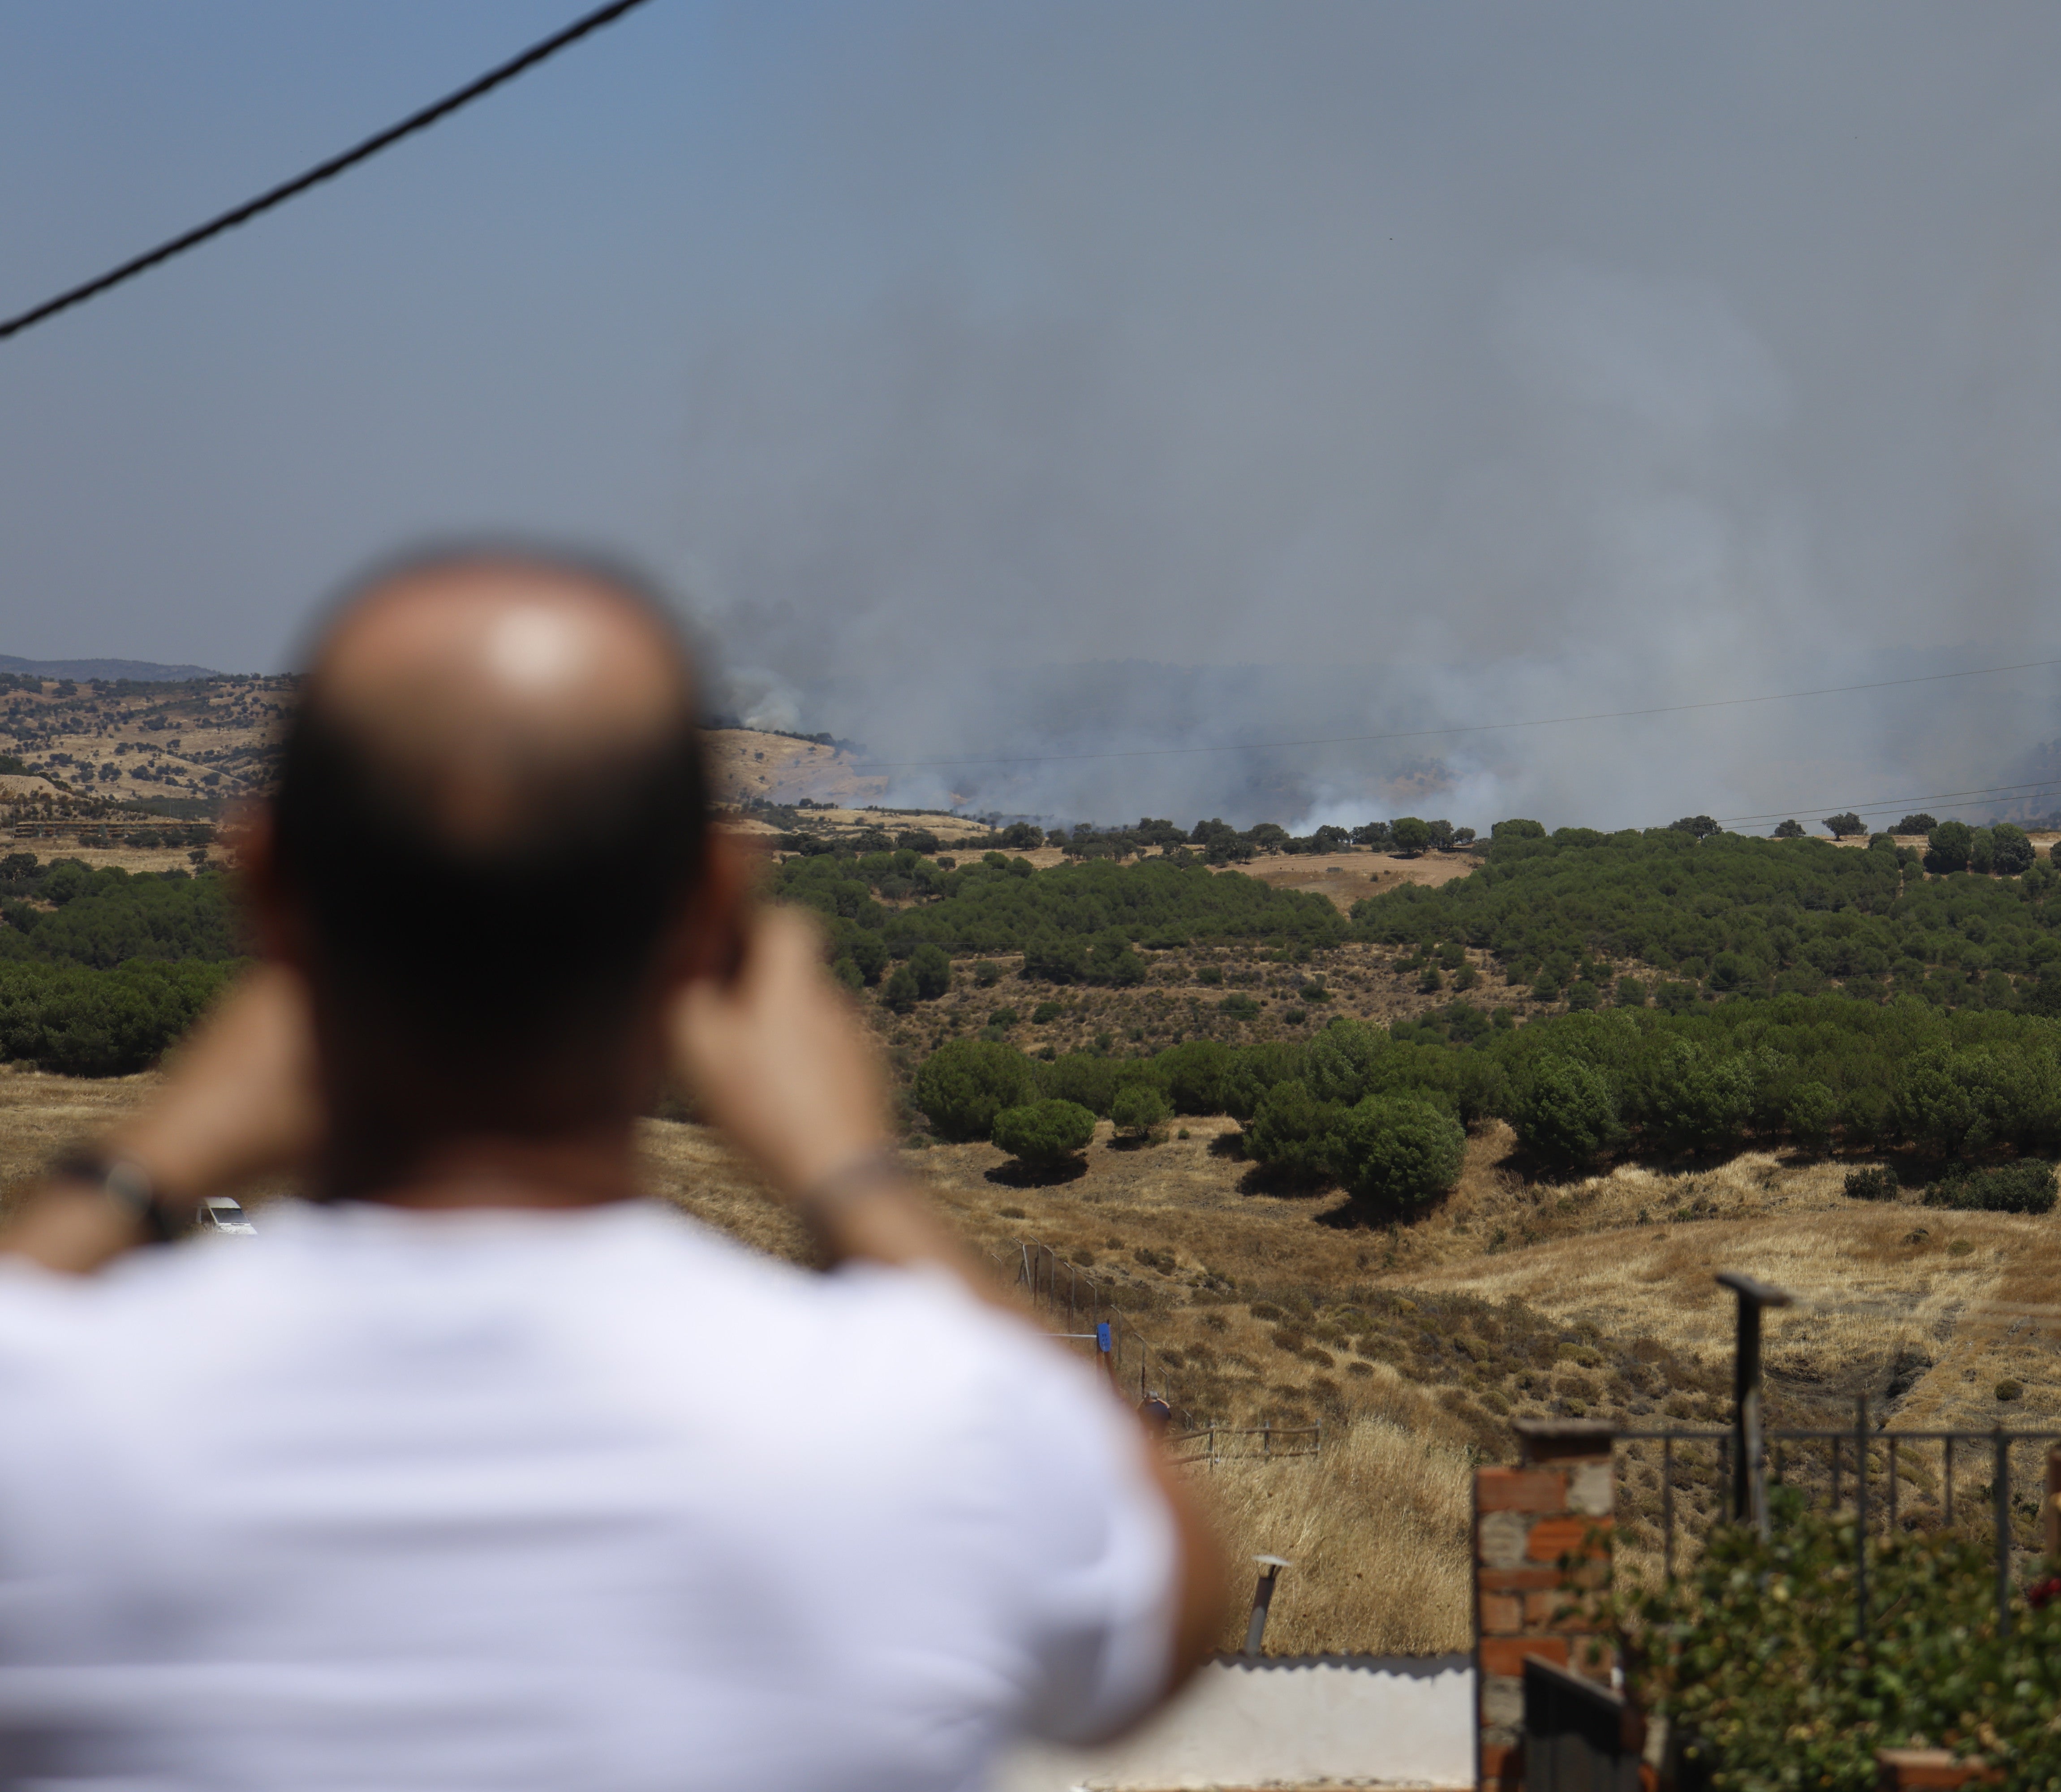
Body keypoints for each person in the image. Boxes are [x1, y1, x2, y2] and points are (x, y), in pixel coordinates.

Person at [0, 547, 1225, 1788]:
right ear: (711, 910)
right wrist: (846, 1171)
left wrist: (149, 1157)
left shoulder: (48, 1437)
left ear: (266, 889)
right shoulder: (919, 1436)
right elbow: (1167, 1599)